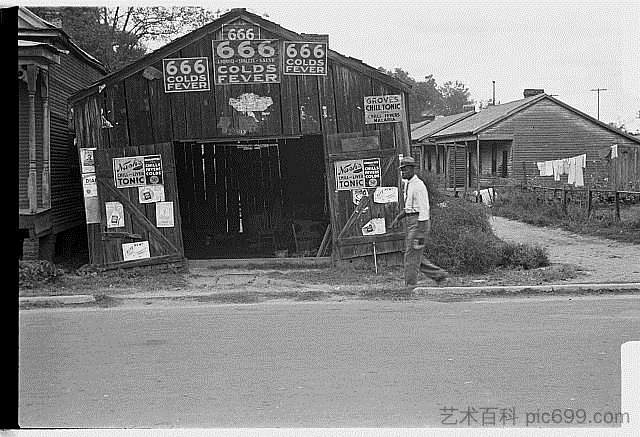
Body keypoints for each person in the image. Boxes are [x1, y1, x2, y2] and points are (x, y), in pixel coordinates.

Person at [390, 156, 448, 289]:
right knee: (415, 254)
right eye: (401, 170)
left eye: (405, 170)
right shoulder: (409, 185)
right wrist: (398, 218)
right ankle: (439, 275)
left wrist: (421, 232)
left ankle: (410, 286)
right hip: (412, 222)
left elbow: (423, 209)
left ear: (411, 169)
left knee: (411, 255)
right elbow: (409, 207)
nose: (403, 172)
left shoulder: (419, 186)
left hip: (419, 223)